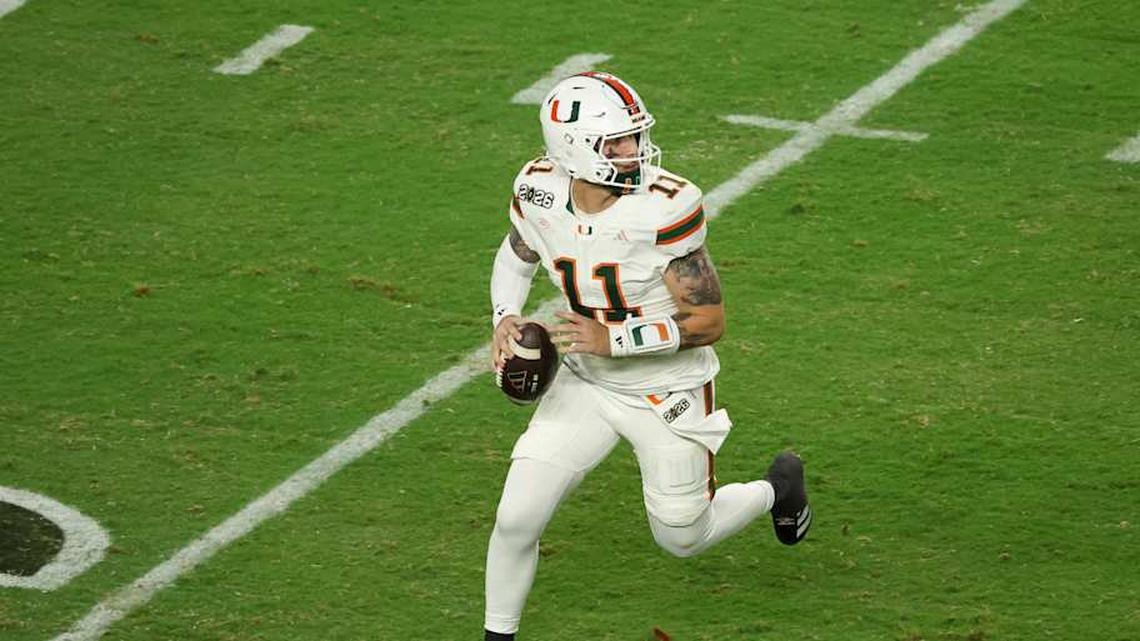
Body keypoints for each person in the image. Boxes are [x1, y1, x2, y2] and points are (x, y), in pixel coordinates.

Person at [484, 71, 812, 641]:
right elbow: (517, 254)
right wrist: (504, 315)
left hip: (666, 389)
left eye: (635, 138)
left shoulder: (663, 208)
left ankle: (775, 488)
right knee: (515, 520)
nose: (634, 151)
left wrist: (615, 339)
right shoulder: (538, 188)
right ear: (571, 147)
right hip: (585, 383)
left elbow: (709, 322)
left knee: (682, 537)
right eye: (617, 143)